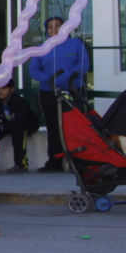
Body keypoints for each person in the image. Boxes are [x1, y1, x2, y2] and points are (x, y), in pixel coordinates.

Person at [29, 16, 90, 172]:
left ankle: (77, 163)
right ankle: (54, 163)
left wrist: (65, 77)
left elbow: (83, 64)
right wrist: (50, 80)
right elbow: (33, 70)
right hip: (49, 92)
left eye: (57, 25)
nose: (54, 29)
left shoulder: (75, 43)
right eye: (50, 26)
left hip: (73, 90)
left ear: (65, 27)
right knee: (53, 127)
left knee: (75, 126)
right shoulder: (41, 48)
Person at [0, 80, 39, 172]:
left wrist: (4, 128)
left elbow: (20, 120)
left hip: (26, 124)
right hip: (10, 124)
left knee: (18, 133)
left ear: (12, 89)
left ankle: (21, 165)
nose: (0, 91)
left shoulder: (19, 101)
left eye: (4, 88)